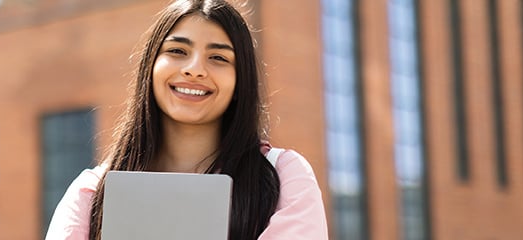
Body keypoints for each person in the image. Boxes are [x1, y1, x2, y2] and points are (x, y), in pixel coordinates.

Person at [45, 0, 327, 239]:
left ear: (241, 82)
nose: (194, 70)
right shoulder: (92, 192)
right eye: (177, 51)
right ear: (150, 69)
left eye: (218, 57)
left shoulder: (284, 176)